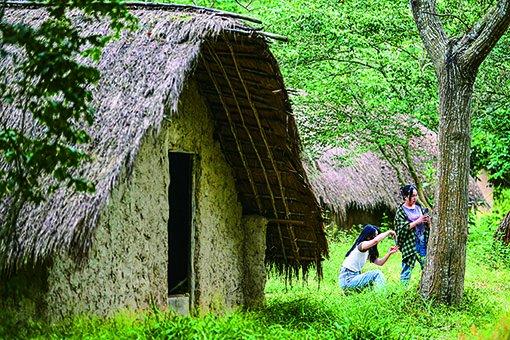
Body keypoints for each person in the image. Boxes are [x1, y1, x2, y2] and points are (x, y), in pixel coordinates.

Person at [338, 224, 398, 291]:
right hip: (347, 280)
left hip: (354, 277)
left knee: (372, 285)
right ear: (368, 237)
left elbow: (380, 263)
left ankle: (378, 298)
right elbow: (375, 241)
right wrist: (389, 232)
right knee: (377, 274)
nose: (376, 238)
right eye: (375, 236)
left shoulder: (368, 251)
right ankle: (382, 297)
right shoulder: (361, 245)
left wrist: (389, 253)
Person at [394, 184, 431, 284]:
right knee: (407, 269)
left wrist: (427, 221)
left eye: (416, 195)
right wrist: (417, 221)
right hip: (410, 243)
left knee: (426, 266)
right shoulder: (401, 211)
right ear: (406, 197)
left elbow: (427, 224)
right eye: (412, 196)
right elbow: (400, 229)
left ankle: (425, 288)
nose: (415, 198)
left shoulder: (419, 208)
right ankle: (402, 291)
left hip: (422, 241)